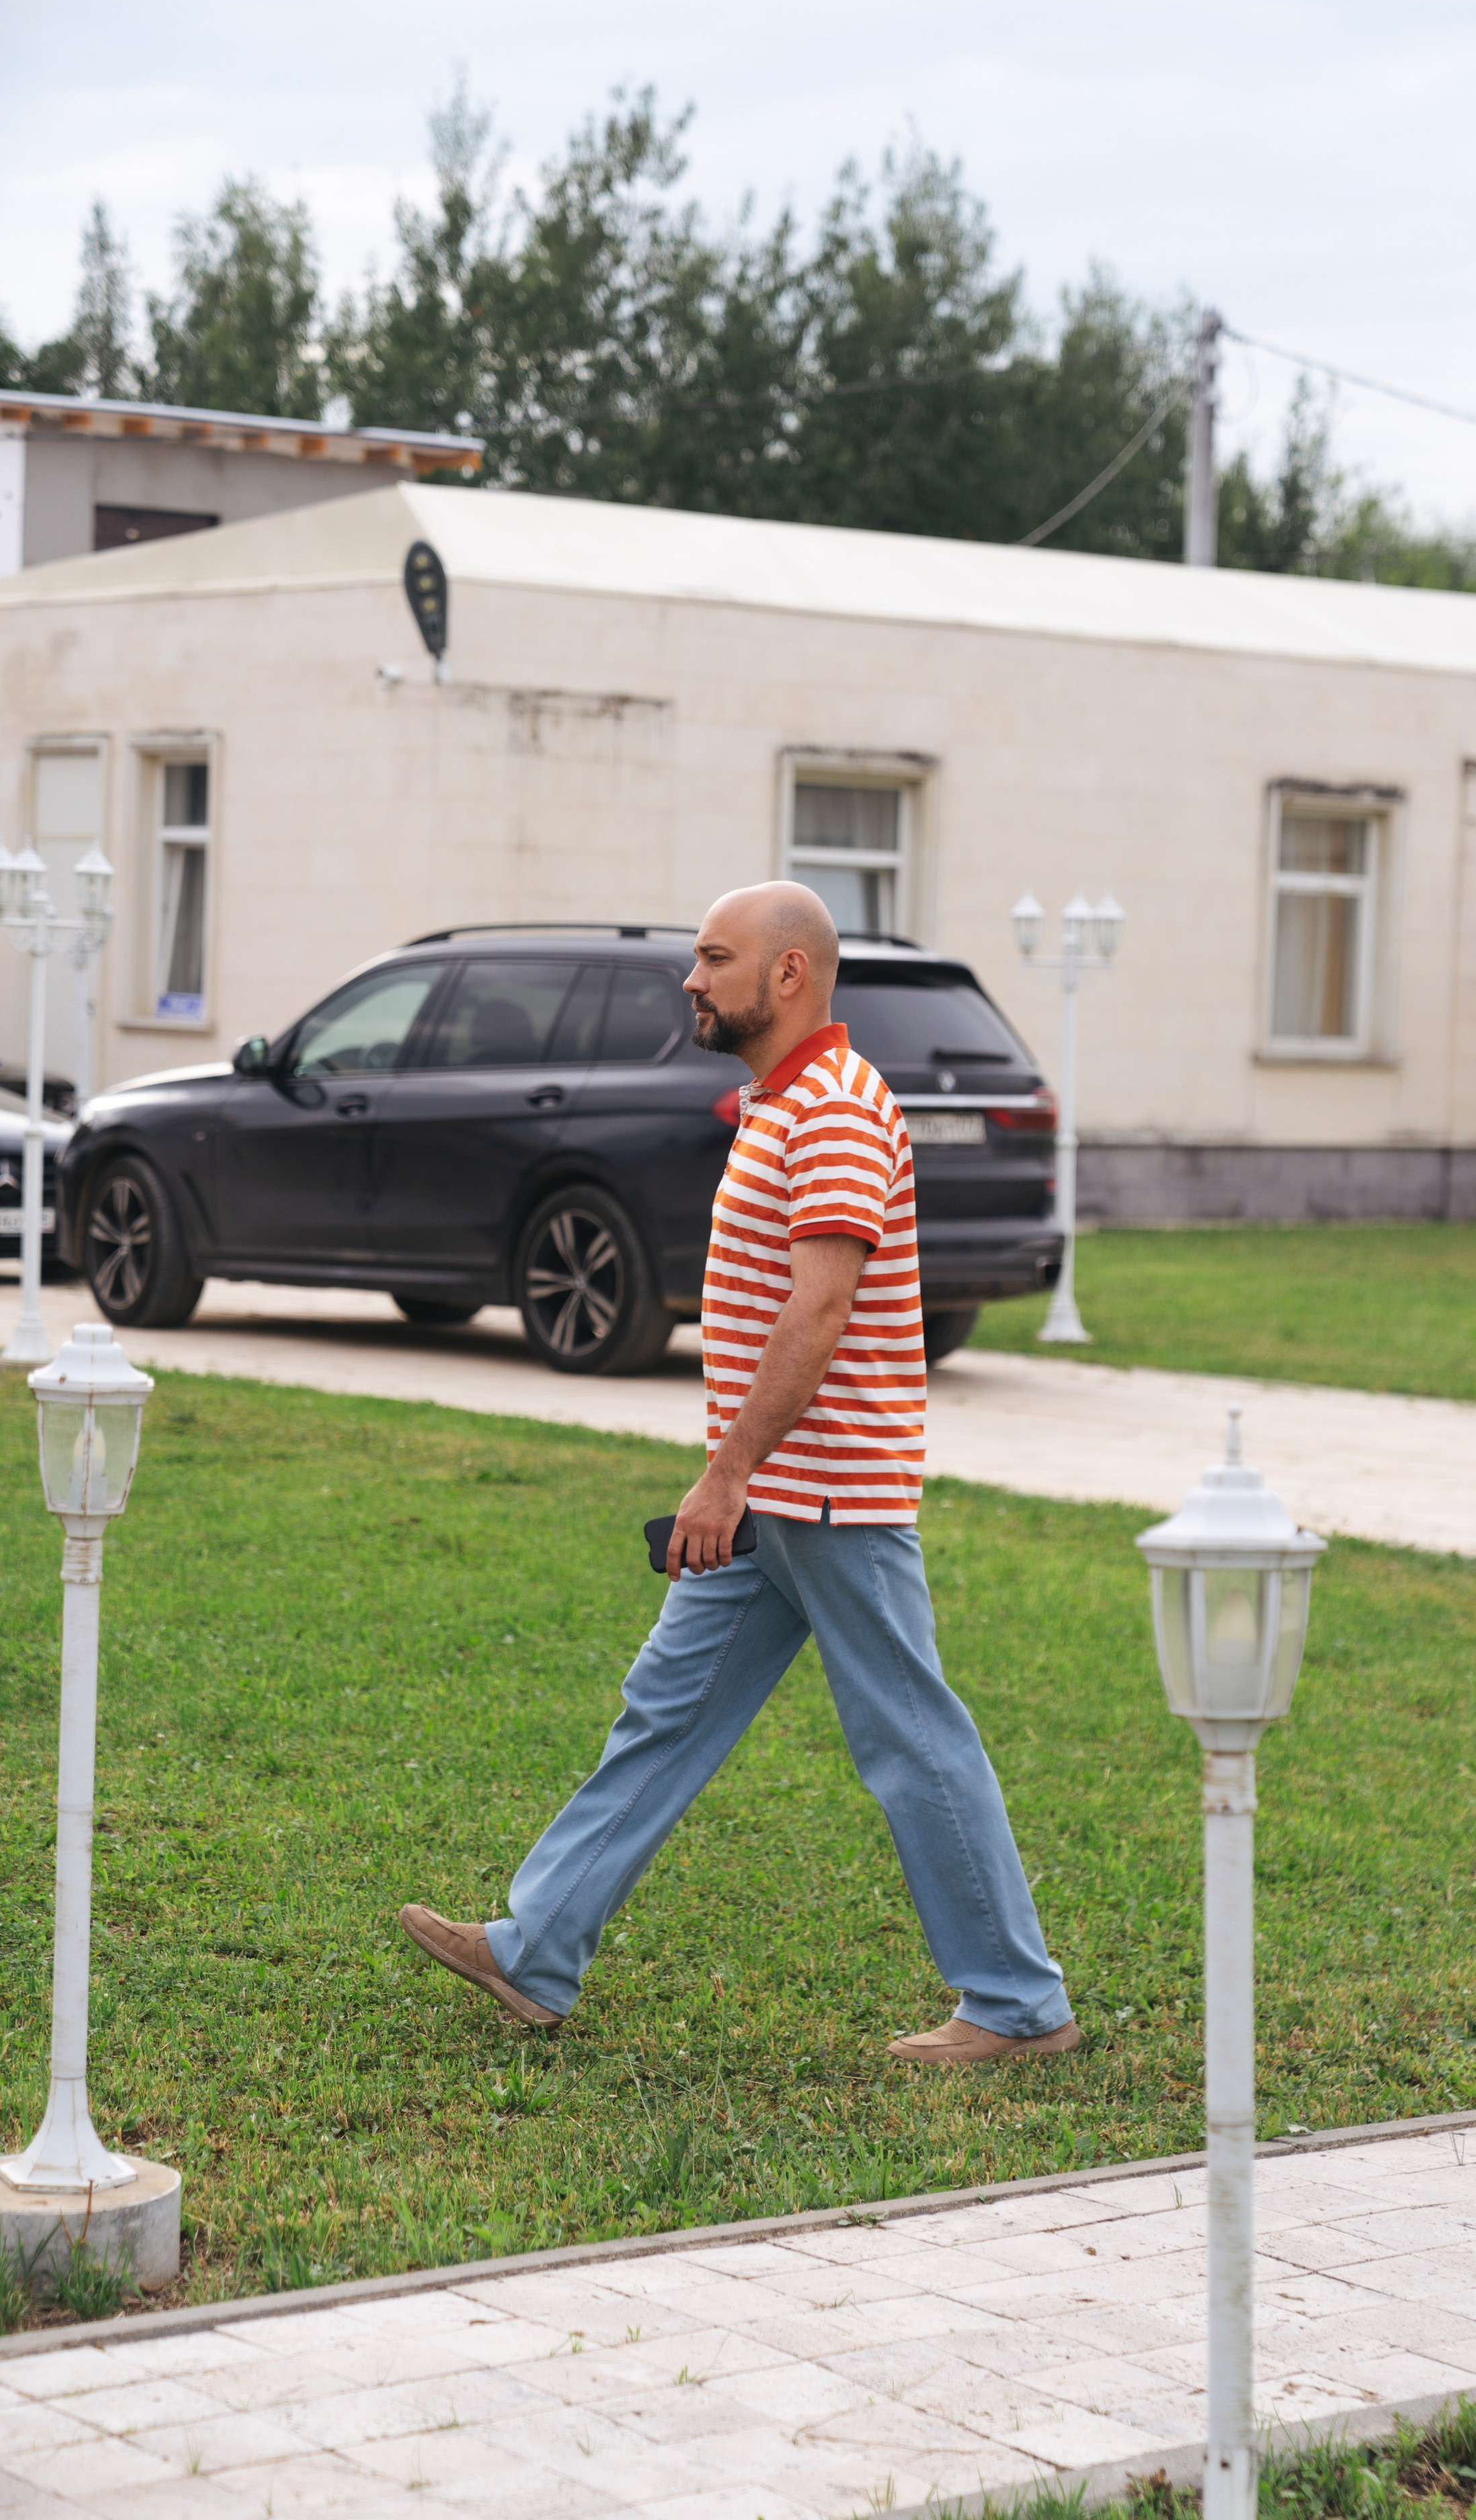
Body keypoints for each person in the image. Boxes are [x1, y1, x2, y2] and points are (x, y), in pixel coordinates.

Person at [400, 882, 1078, 2066]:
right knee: (664, 1717)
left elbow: (820, 1311)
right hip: (775, 1493)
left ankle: (1018, 2007)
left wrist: (727, 1475)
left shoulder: (837, 1112)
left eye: (714, 960)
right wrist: (736, 1481)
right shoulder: (782, 1104)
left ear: (788, 976)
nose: (691, 982)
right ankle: (536, 1947)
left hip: (826, 1493)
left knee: (912, 1740)